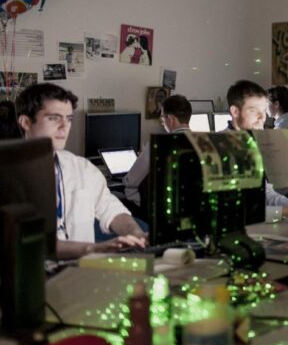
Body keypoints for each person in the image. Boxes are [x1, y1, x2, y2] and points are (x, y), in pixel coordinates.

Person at [15, 83, 146, 259]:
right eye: (54, 118)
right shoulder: (9, 174)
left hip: (82, 272)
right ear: (26, 122)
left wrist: (137, 235)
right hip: (30, 279)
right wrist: (92, 249)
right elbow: (25, 242)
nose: (64, 127)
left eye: (68, 119)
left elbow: (112, 210)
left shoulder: (83, 169)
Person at [227, 80, 288, 208]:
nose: (262, 117)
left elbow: (267, 195)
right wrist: (281, 211)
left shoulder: (254, 143)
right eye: (253, 110)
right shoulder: (222, 147)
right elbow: (234, 208)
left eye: (264, 110)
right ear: (235, 111)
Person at [124, 95, 191, 206]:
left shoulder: (158, 145)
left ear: (171, 119)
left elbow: (131, 181)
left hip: (156, 210)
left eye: (162, 118)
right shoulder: (204, 143)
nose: (162, 122)